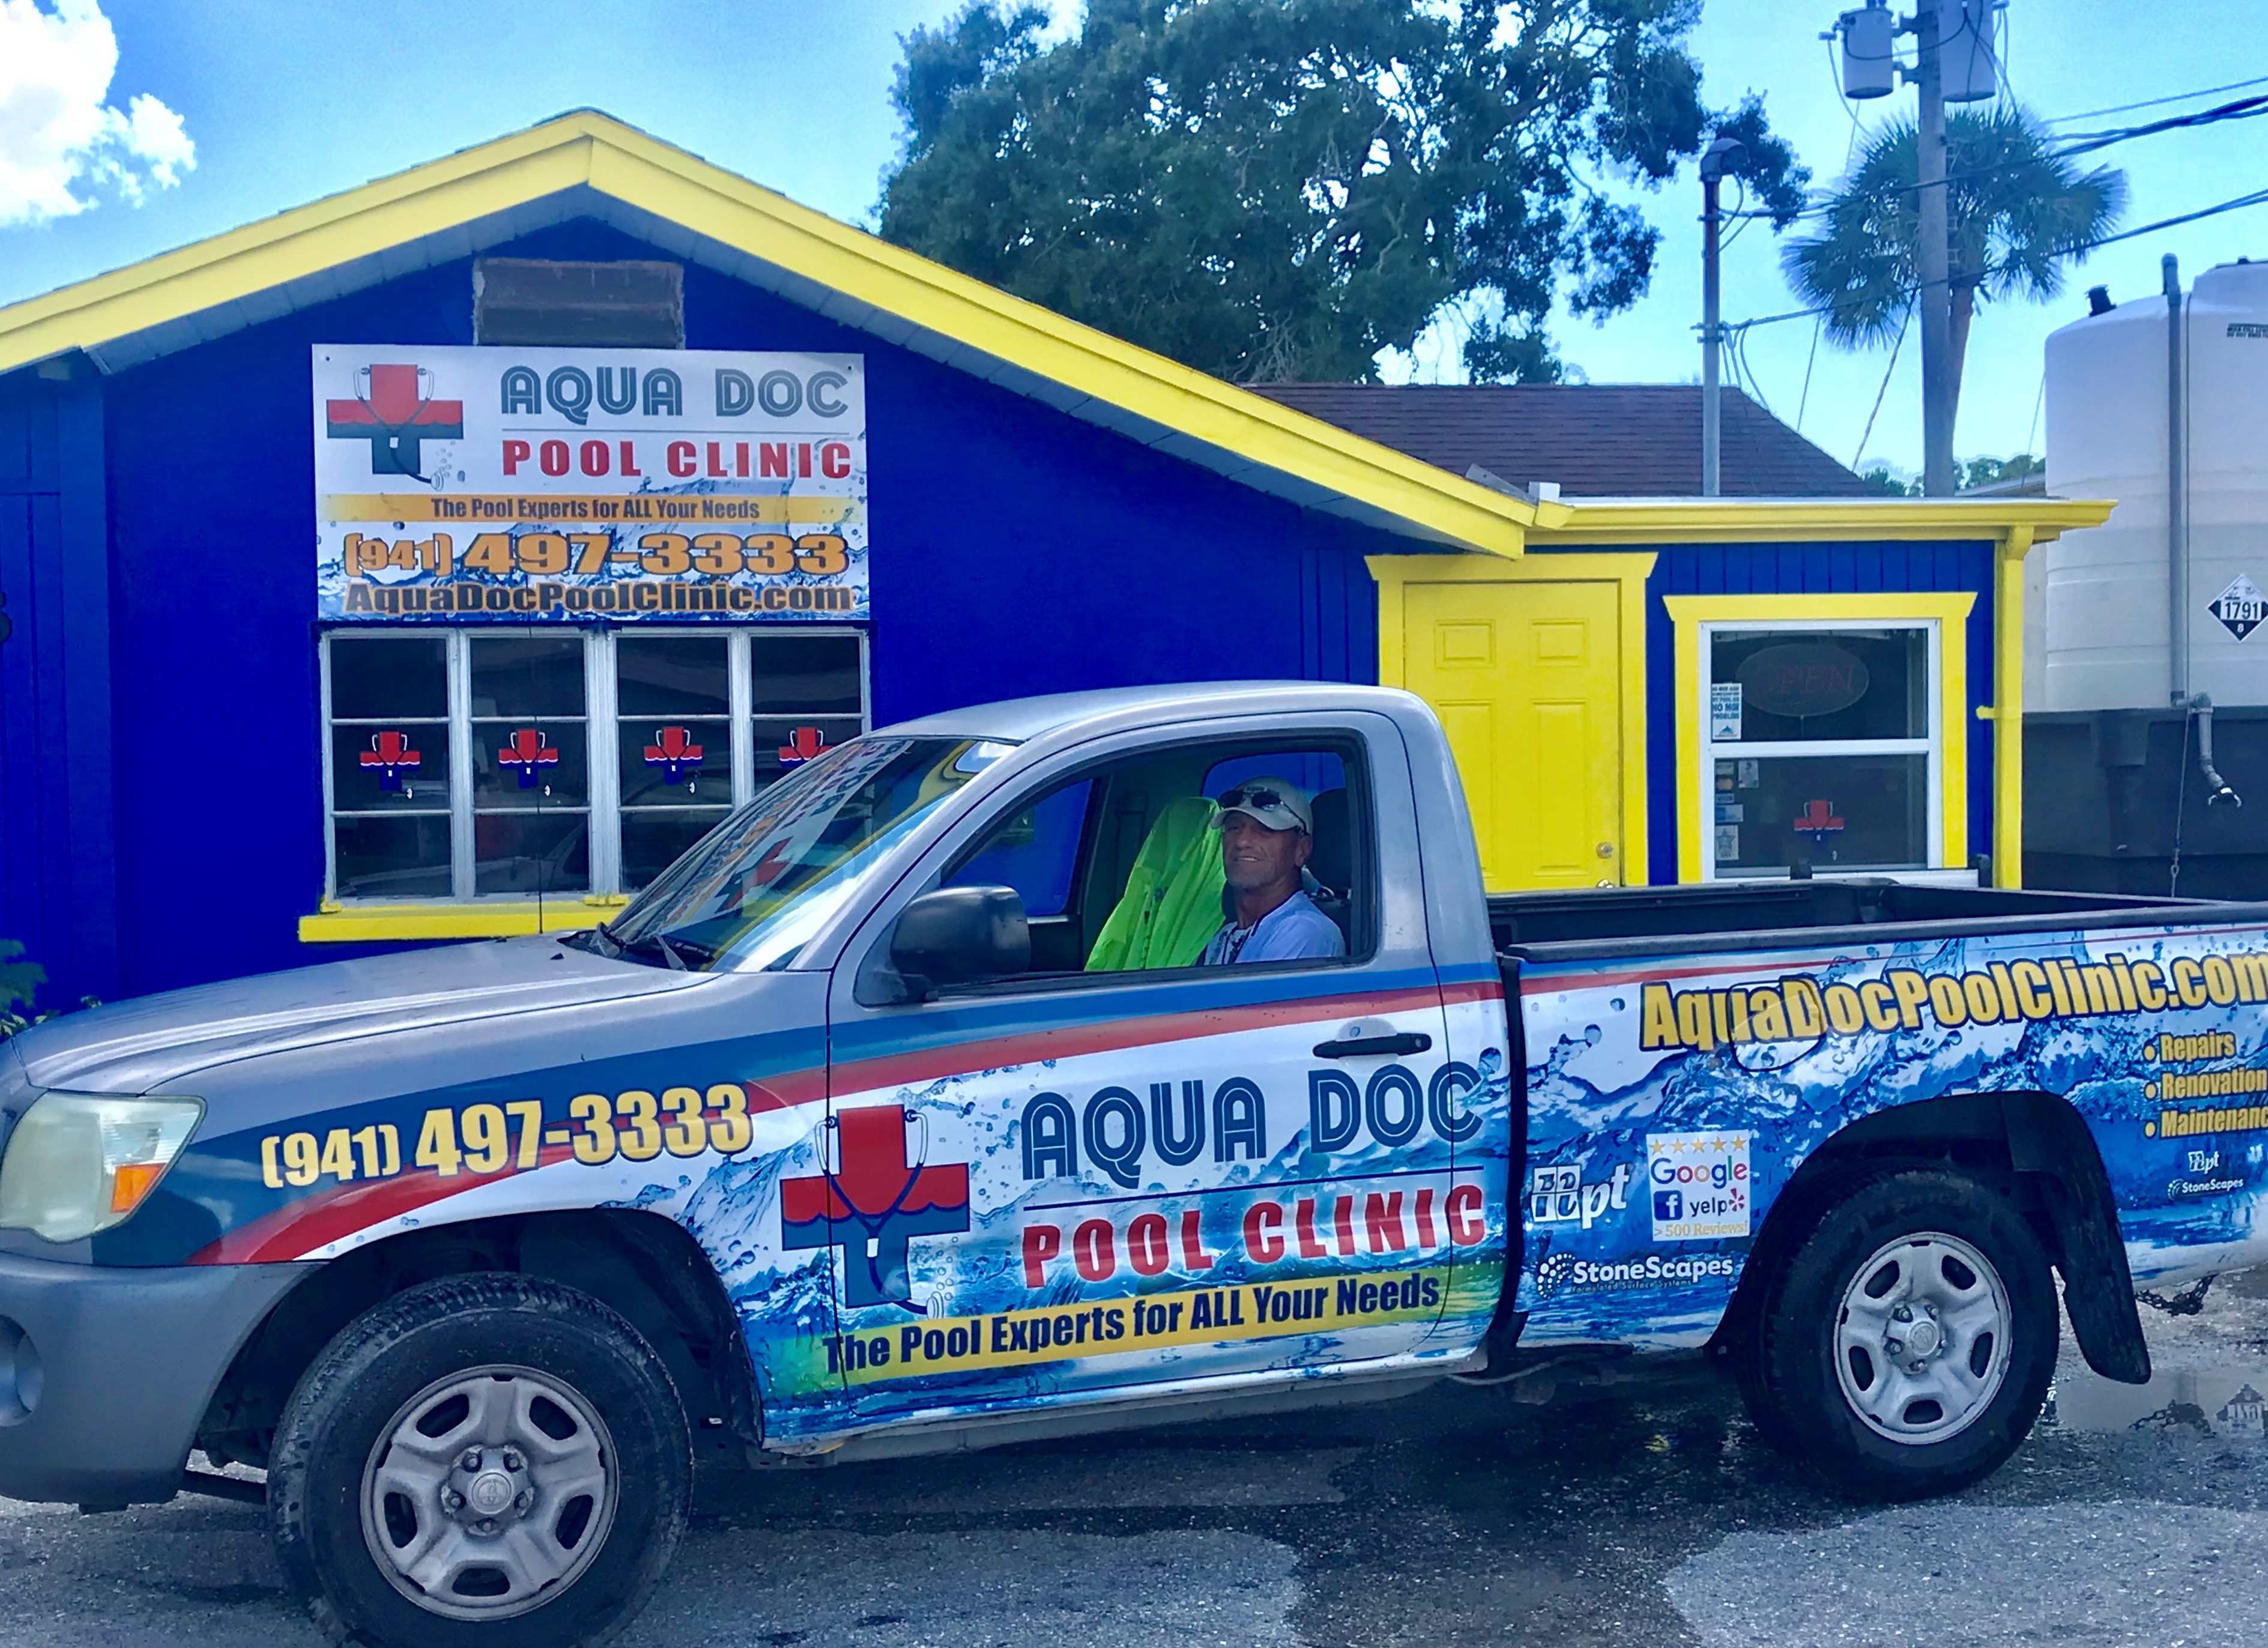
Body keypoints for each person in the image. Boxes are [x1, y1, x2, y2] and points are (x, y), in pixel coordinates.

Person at [1199, 778, 1346, 965]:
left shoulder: (1305, 930)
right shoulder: (1224, 936)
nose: (1242, 842)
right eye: (1234, 828)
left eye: (1265, 829)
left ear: (1302, 850)